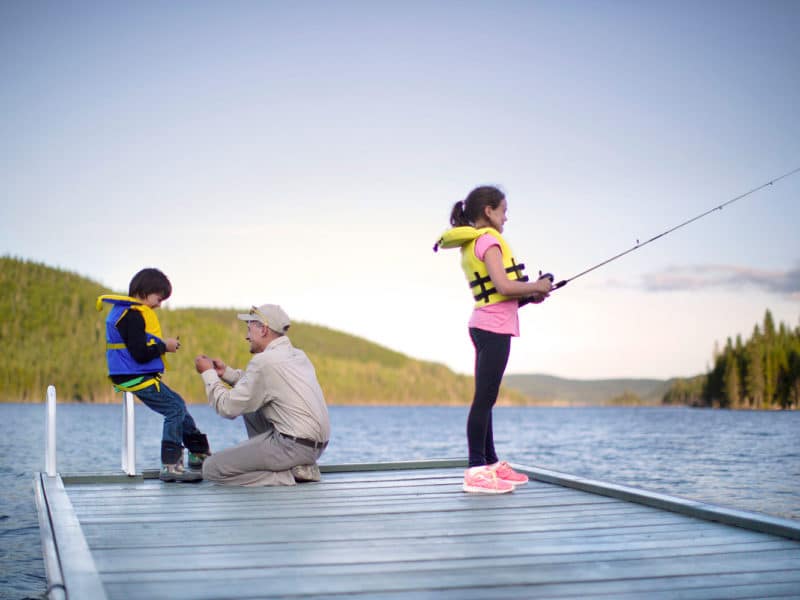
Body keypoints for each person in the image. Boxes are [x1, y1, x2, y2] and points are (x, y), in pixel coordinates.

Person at [434, 185, 552, 494]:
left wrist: (531, 294)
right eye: (504, 211)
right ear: (489, 211)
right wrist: (535, 286)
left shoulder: (476, 242)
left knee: (487, 398)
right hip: (492, 327)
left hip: (487, 322)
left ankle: (490, 462)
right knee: (484, 400)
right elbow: (502, 285)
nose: (506, 218)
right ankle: (476, 469)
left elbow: (498, 294)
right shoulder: (489, 242)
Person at [194, 303, 330, 487]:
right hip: (315, 446)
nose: (246, 336)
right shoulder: (298, 355)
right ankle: (301, 466)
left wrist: (208, 374)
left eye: (249, 329)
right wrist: (225, 373)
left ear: (264, 330)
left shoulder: (264, 361)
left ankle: (286, 475)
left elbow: (227, 408)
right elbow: (256, 385)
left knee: (212, 469)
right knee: (250, 407)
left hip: (293, 446)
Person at [96, 268, 211, 483]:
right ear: (146, 291)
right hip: (134, 376)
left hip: (132, 374)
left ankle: (198, 454)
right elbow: (140, 354)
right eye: (159, 298)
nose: (160, 304)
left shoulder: (127, 313)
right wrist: (164, 346)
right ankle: (170, 466)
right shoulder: (132, 316)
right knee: (174, 409)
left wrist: (161, 346)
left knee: (178, 403)